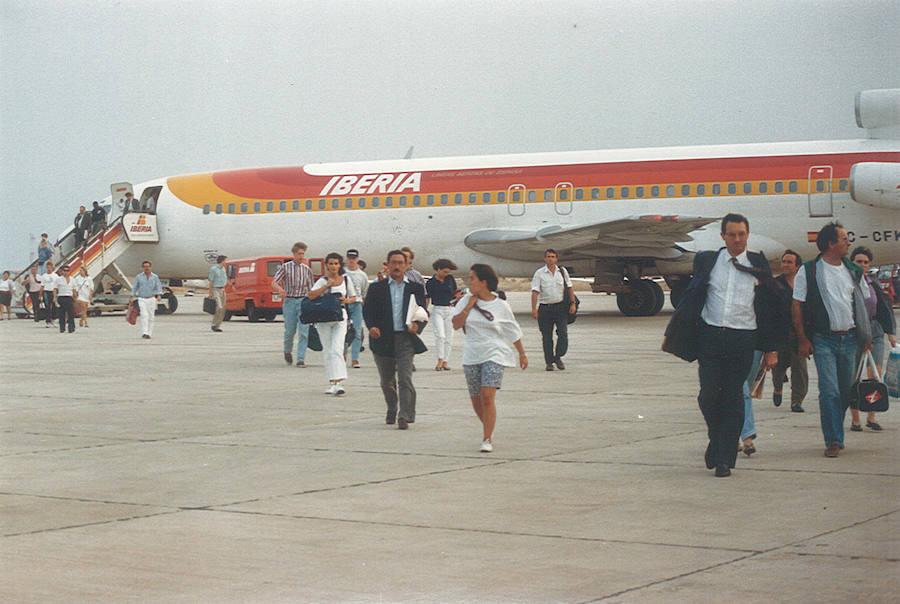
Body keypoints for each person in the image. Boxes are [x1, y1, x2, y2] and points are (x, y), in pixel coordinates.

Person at [688, 214, 779, 477]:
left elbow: (771, 308)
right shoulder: (707, 261)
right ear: (723, 237)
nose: (737, 239)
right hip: (711, 335)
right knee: (708, 395)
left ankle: (724, 458)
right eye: (732, 235)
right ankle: (717, 440)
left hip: (743, 338)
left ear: (747, 235)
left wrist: (771, 348)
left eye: (741, 234)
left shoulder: (757, 264)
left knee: (733, 397)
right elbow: (693, 295)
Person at [793, 223, 871, 458]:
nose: (848, 242)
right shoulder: (809, 271)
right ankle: (834, 440)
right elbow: (797, 304)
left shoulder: (852, 270)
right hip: (823, 339)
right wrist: (802, 339)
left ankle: (835, 430)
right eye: (844, 238)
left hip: (849, 339)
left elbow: (863, 303)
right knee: (829, 391)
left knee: (846, 392)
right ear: (830, 243)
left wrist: (865, 336)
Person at [452, 263, 527, 452]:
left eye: (472, 278)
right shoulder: (465, 301)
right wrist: (469, 306)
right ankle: (488, 425)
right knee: (476, 399)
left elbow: (512, 330)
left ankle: (487, 438)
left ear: (483, 282)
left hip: (495, 352)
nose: (469, 281)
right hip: (472, 354)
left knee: (487, 396)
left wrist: (522, 353)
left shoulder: (500, 305)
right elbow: (455, 324)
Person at [363, 250, 428, 429]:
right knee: (386, 380)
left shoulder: (415, 288)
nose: (397, 266)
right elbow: (367, 311)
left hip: (405, 338)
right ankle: (392, 407)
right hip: (383, 338)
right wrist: (372, 327)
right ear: (387, 265)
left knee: (405, 378)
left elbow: (423, 312)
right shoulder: (377, 288)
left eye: (401, 263)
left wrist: (417, 326)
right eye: (393, 263)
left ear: (407, 265)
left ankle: (405, 415)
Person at [848, 246, 896, 432]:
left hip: (874, 330)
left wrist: (890, 332)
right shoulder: (847, 283)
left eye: (866, 262)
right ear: (852, 263)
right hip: (854, 331)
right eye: (858, 261)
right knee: (853, 376)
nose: (862, 265)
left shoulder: (872, 283)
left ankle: (872, 415)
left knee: (874, 374)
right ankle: (855, 419)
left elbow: (884, 307)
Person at [308, 252, 359, 395]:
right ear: (326, 265)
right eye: (330, 263)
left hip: (340, 317)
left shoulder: (346, 280)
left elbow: (354, 297)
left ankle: (339, 381)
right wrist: (326, 286)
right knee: (328, 350)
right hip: (324, 318)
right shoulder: (322, 280)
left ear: (340, 265)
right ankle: (332, 382)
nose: (333, 266)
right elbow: (311, 295)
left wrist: (346, 300)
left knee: (337, 348)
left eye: (336, 263)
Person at [771, 250, 809, 413]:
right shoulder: (775, 284)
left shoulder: (804, 285)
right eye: (784, 261)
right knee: (778, 369)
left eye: (789, 262)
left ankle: (797, 400)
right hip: (780, 334)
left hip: (798, 334)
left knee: (799, 369)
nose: (785, 265)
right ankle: (778, 388)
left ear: (797, 266)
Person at [531, 249, 577, 371]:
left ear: (556, 259)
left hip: (560, 307)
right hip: (545, 308)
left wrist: (572, 303)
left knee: (563, 334)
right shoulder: (539, 273)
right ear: (545, 259)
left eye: (553, 256)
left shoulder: (562, 272)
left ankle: (558, 357)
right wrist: (534, 309)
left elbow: (570, 288)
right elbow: (535, 292)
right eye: (548, 256)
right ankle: (549, 362)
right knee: (547, 337)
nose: (551, 259)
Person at [272, 242, 315, 367]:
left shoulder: (307, 270)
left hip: (303, 301)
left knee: (304, 331)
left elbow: (311, 288)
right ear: (294, 254)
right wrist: (280, 290)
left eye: (303, 254)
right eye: (299, 253)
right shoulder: (285, 267)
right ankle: (287, 350)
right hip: (290, 301)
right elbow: (274, 282)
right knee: (290, 330)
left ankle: (301, 358)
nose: (301, 256)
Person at [426, 259, 460, 371]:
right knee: (440, 335)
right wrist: (425, 309)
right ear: (438, 270)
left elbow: (454, 293)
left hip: (450, 308)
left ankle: (445, 361)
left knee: (449, 336)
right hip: (438, 309)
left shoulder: (450, 279)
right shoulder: (430, 282)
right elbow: (428, 297)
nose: (447, 274)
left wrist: (458, 298)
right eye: (444, 272)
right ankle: (440, 359)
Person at [344, 249, 369, 368]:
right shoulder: (342, 272)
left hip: (357, 304)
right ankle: (342, 355)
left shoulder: (362, 275)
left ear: (357, 259)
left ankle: (355, 358)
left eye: (354, 259)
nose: (351, 261)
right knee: (343, 331)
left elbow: (364, 291)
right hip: (344, 303)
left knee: (357, 331)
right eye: (349, 258)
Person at [131, 260, 163, 339]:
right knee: (144, 315)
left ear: (151, 267)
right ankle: (144, 332)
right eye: (145, 267)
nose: (147, 268)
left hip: (151, 298)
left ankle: (149, 333)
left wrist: (159, 295)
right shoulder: (139, 277)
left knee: (151, 316)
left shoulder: (155, 277)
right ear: (142, 268)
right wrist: (132, 296)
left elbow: (158, 286)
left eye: (148, 267)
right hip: (142, 298)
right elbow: (135, 287)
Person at [207, 255, 228, 332]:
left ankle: (217, 325)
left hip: (223, 289)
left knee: (223, 308)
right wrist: (210, 293)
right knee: (219, 307)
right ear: (222, 261)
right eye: (225, 260)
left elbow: (225, 279)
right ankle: (213, 324)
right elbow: (211, 281)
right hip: (216, 289)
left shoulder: (223, 269)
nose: (226, 262)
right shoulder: (213, 269)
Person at [53, 266, 76, 333]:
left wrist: (75, 297)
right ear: (62, 271)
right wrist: (54, 297)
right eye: (64, 271)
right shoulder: (58, 279)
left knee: (71, 313)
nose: (66, 272)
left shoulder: (72, 279)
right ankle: (62, 328)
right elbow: (55, 289)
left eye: (67, 271)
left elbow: (74, 289)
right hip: (61, 297)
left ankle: (71, 328)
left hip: (69, 297)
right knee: (61, 314)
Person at [39, 261, 57, 327]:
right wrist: (40, 295)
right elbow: (42, 286)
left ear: (52, 268)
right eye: (48, 267)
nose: (49, 269)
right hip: (46, 292)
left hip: (53, 292)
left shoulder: (55, 276)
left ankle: (54, 319)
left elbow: (57, 285)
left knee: (54, 306)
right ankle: (48, 321)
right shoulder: (44, 276)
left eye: (50, 267)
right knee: (47, 307)